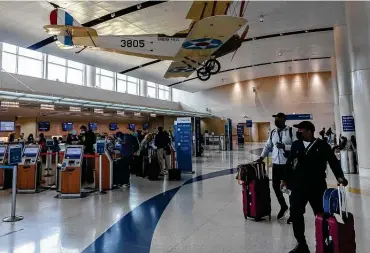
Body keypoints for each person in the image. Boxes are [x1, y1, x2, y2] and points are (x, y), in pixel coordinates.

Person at [286, 121, 348, 253]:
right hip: (298, 186)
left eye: (301, 130)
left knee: (321, 215)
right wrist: (285, 180)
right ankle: (301, 244)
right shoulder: (296, 145)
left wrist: (340, 176)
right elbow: (289, 163)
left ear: (309, 131)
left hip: (317, 186)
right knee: (296, 214)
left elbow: (333, 162)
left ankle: (325, 241)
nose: (299, 132)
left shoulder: (322, 145)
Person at [259, 112, 295, 222]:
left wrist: (285, 146)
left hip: (287, 165)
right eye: (275, 119)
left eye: (278, 119)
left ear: (284, 120)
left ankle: (293, 213)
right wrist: (261, 157)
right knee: (275, 186)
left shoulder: (290, 131)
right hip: (276, 164)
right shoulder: (273, 132)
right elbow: (268, 146)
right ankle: (283, 205)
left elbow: (297, 146)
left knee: (289, 188)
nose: (276, 121)